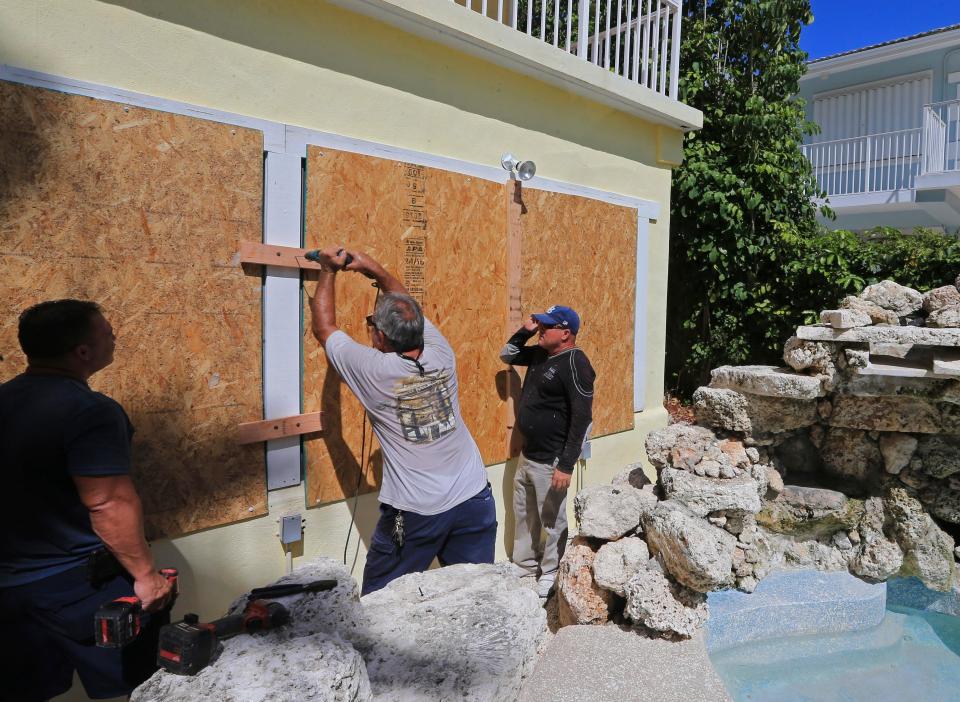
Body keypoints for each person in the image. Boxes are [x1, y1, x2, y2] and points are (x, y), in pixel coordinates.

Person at [0, 299, 175, 701]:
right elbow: (108, 502)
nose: (114, 337)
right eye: (107, 333)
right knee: (138, 687)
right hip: (77, 588)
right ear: (83, 352)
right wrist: (147, 577)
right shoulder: (89, 410)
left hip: (11, 590)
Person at [308, 247, 497, 595]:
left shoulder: (377, 371)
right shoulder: (440, 352)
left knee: (381, 603)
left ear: (380, 336)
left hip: (417, 513)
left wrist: (328, 270)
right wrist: (373, 269)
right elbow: (404, 301)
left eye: (371, 325)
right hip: (474, 497)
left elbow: (324, 328)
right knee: (476, 595)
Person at [500, 305, 595, 599]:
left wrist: (566, 465)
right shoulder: (541, 354)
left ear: (566, 333)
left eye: (548, 326)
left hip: (552, 460)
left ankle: (552, 572)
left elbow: (581, 418)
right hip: (528, 455)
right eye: (542, 325)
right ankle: (525, 565)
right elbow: (508, 354)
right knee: (524, 514)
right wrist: (526, 330)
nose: (542, 330)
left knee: (552, 521)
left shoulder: (576, 364)